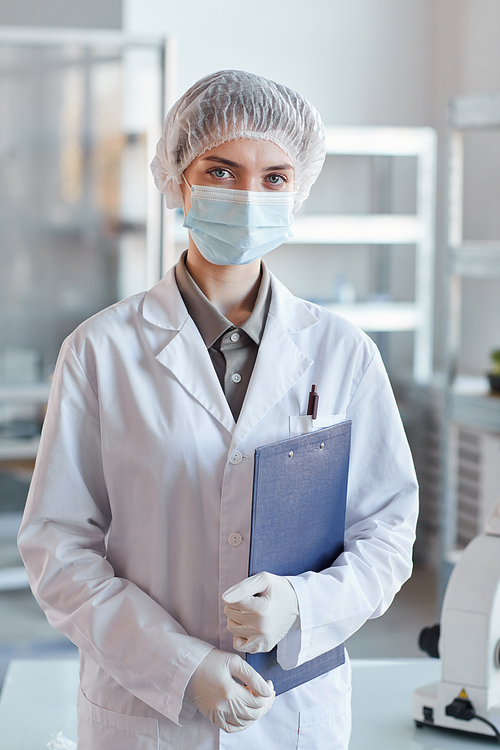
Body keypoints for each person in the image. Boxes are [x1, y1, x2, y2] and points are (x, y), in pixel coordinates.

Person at [18, 70, 418, 750]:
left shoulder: (344, 353)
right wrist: (181, 664)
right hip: (146, 716)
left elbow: (387, 530)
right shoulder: (99, 351)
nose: (249, 196)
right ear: (178, 179)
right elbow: (58, 548)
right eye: (223, 171)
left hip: (294, 714)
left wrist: (303, 606)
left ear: (299, 191)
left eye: (274, 178)